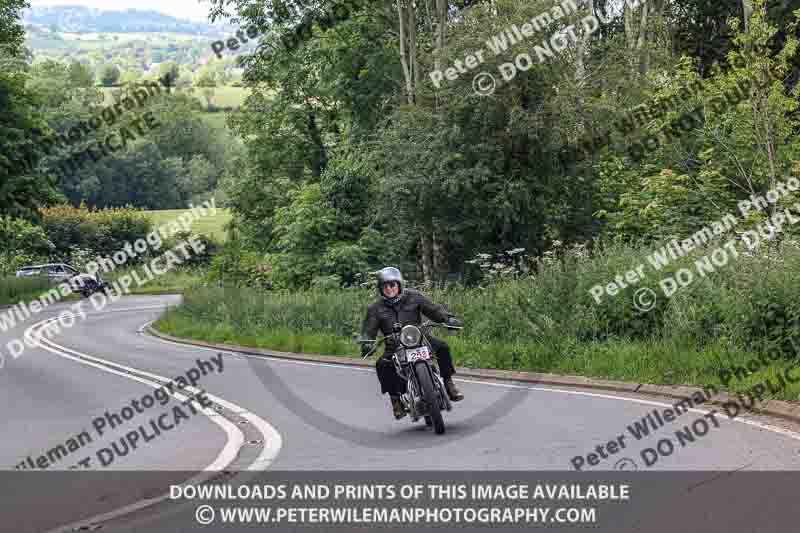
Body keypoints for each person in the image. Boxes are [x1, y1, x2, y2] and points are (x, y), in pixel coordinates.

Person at [360, 267, 464, 419]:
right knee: (382, 364)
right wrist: (367, 343)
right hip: (394, 345)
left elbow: (434, 310)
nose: (389, 289)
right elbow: (369, 330)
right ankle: (395, 400)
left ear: (399, 284)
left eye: (392, 285)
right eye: (385, 286)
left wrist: (447, 319)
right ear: (381, 288)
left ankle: (449, 384)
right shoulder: (375, 309)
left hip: (420, 337)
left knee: (442, 347)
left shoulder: (414, 296)